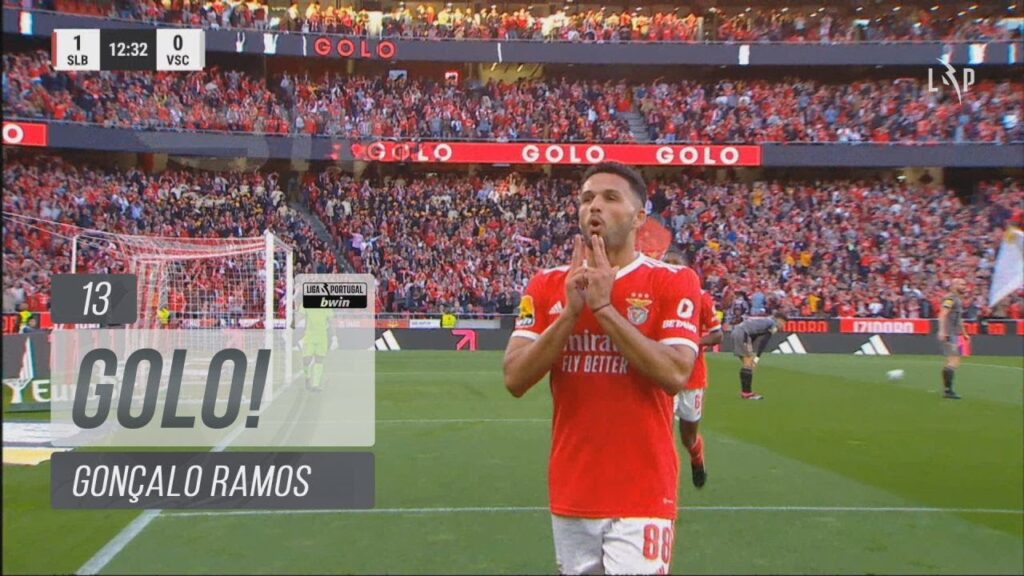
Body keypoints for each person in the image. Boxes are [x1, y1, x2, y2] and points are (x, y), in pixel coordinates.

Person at [503, 162, 701, 575]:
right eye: (587, 198)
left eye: (611, 198)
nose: (595, 206)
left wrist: (605, 309)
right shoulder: (547, 284)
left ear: (639, 217)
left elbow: (676, 373)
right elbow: (515, 378)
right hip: (573, 489)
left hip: (642, 492)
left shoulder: (673, 281)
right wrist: (570, 314)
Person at [665, 250, 722, 489]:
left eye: (676, 265)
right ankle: (665, 487)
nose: (671, 270)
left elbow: (717, 334)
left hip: (692, 377)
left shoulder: (702, 298)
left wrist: (689, 341)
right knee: (661, 435)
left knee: (688, 437)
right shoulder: (655, 295)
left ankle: (697, 458)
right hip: (663, 375)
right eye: (666, 265)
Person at [730, 310, 787, 400]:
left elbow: (754, 334)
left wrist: (751, 351)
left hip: (737, 332)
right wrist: (757, 357)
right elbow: (765, 340)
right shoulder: (773, 323)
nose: (783, 326)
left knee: (748, 363)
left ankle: (746, 392)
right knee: (748, 364)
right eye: (784, 323)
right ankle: (747, 393)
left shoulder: (765, 320)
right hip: (743, 333)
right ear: (780, 320)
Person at [937, 277, 969, 399]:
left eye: (964, 284)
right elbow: (942, 314)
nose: (964, 286)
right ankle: (948, 391)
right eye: (961, 284)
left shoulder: (957, 299)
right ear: (954, 285)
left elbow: (959, 319)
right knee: (953, 361)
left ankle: (947, 389)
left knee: (953, 361)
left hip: (953, 333)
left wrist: (964, 333)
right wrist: (942, 331)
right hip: (948, 333)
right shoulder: (950, 298)